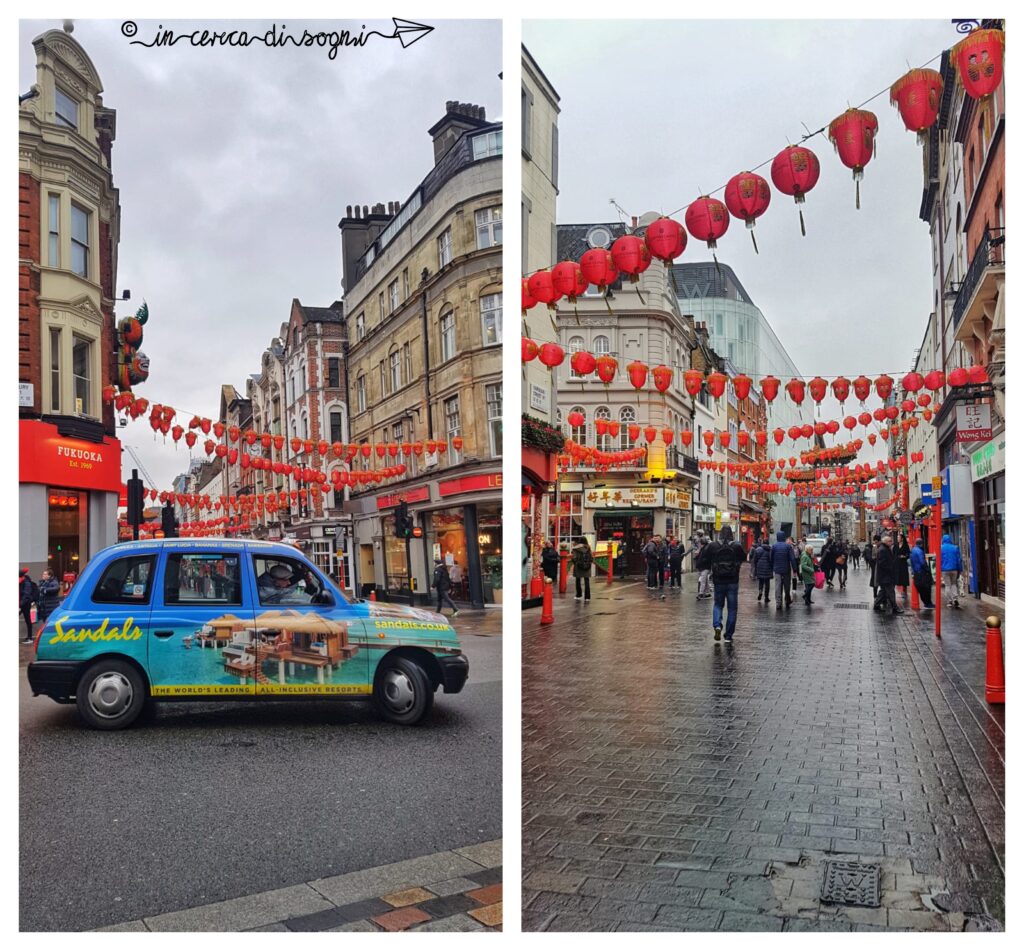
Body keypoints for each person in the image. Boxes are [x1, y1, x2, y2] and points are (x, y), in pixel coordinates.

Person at [696, 525, 746, 642]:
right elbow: (743, 557)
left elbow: (704, 559)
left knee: (718, 604)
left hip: (718, 580)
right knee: (732, 608)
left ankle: (717, 625)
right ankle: (728, 635)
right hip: (733, 580)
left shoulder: (713, 545)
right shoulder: (736, 545)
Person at [872, 534, 902, 614]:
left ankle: (876, 605)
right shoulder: (883, 550)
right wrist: (890, 567)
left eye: (891, 541)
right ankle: (895, 608)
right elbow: (882, 563)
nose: (891, 542)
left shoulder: (885, 548)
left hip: (885, 575)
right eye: (889, 541)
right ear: (885, 542)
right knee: (891, 591)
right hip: (885, 575)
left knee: (884, 591)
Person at [771, 532, 798, 610]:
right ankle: (787, 600)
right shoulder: (788, 546)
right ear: (784, 537)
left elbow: (771, 558)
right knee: (787, 586)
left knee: (778, 586)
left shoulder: (774, 546)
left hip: (777, 570)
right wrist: (795, 569)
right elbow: (792, 559)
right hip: (786, 569)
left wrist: (773, 567)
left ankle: (778, 603)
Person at [940, 533, 965, 608]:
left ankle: (949, 601)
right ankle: (955, 598)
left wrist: (939, 568)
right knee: (954, 584)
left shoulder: (940, 548)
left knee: (947, 585)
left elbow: (939, 560)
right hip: (954, 569)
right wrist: (960, 569)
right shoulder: (955, 547)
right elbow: (958, 560)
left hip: (945, 570)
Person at [910, 538, 934, 609]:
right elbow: (922, 562)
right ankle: (928, 603)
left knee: (921, 588)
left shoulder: (913, 550)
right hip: (922, 572)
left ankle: (926, 602)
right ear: (921, 544)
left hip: (916, 572)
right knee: (926, 588)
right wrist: (928, 570)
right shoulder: (920, 551)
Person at [571, 538, 593, 602]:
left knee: (578, 580)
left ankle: (578, 595)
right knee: (587, 581)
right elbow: (591, 557)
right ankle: (587, 597)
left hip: (578, 566)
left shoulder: (575, 548)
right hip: (587, 566)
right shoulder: (588, 548)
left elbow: (574, 558)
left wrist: (576, 563)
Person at [751, 538, 773, 603]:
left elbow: (755, 560)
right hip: (768, 568)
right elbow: (771, 560)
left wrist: (756, 566)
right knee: (767, 583)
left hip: (760, 567)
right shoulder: (770, 550)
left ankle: (760, 591)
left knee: (761, 582)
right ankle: (766, 597)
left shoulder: (758, 549)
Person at [19, 568, 36, 643]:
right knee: (28, 620)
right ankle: (29, 637)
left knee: (28, 620)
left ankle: (30, 638)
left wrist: (20, 605)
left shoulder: (26, 582)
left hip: (25, 604)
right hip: (21, 604)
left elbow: (26, 594)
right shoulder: (20, 581)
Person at [896, 533, 911, 598]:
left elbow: (908, 553)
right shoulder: (896, 545)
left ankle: (904, 591)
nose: (897, 538)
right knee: (897, 577)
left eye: (898, 537)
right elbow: (894, 553)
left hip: (903, 563)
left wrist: (905, 556)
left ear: (902, 538)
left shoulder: (905, 545)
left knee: (904, 577)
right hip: (897, 563)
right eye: (897, 537)